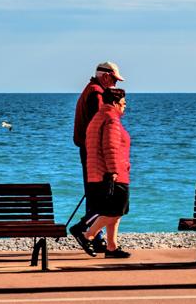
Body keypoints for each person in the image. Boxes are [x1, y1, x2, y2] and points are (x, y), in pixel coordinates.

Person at [70, 61, 124, 252]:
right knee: (102, 197)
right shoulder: (96, 94)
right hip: (94, 154)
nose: (115, 85)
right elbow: (99, 126)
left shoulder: (90, 90)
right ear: (106, 76)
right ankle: (87, 231)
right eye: (114, 80)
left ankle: (100, 239)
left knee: (96, 195)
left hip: (88, 151)